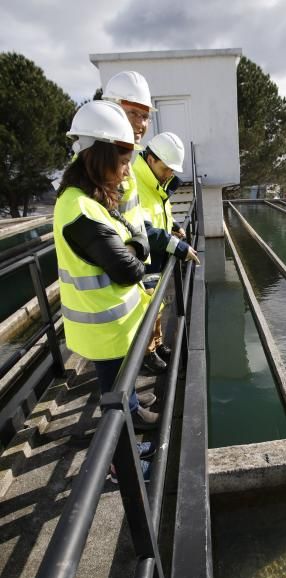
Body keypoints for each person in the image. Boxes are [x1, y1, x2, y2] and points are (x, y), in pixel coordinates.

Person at [53, 100, 159, 441]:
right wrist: (136, 247)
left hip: (113, 323)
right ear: (100, 158)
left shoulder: (89, 195)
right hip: (104, 326)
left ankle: (133, 413)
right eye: (123, 162)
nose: (128, 171)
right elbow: (129, 269)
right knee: (113, 400)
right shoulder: (81, 209)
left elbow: (132, 241)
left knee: (121, 385)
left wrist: (134, 244)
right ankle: (119, 463)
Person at [102, 72, 199, 375]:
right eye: (167, 168)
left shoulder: (153, 181)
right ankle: (146, 354)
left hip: (150, 254)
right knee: (144, 307)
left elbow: (159, 216)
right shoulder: (136, 180)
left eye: (144, 116)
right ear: (153, 159)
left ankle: (155, 345)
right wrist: (176, 245)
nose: (170, 175)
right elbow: (140, 224)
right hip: (138, 257)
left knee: (156, 304)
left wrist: (173, 230)